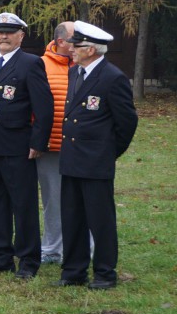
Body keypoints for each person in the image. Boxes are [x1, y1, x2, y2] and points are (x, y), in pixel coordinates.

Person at [56, 21, 138, 290]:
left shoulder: (112, 78)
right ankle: (73, 271)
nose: (71, 49)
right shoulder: (74, 73)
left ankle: (104, 273)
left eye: (76, 46)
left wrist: (108, 152)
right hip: (71, 160)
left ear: (91, 50)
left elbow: (126, 122)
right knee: (72, 218)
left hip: (95, 162)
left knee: (100, 220)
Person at [0, 12, 53, 279]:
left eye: (9, 32)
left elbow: (44, 107)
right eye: (0, 32)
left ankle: (29, 261)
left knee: (23, 205)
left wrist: (38, 142)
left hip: (17, 146)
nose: (4, 37)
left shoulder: (30, 63)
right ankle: (1, 257)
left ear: (21, 35)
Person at [37, 21, 75, 264]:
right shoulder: (40, 65)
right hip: (51, 145)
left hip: (80, 145)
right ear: (61, 41)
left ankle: (85, 246)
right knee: (53, 198)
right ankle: (52, 249)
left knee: (83, 198)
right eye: (76, 39)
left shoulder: (84, 63)